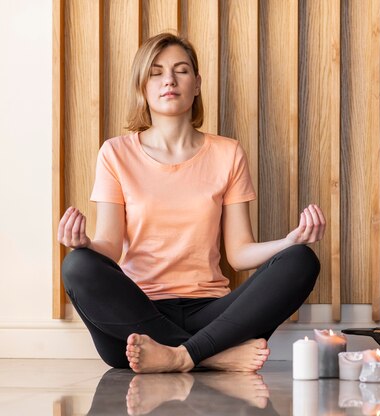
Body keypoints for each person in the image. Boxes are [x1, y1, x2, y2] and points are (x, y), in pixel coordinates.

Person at [58, 32, 324, 374]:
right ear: (142, 86)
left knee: (300, 260)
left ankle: (180, 356)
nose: (169, 79)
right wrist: (86, 244)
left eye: (180, 70)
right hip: (139, 317)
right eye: (156, 72)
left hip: (213, 314)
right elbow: (109, 247)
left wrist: (290, 242)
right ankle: (213, 356)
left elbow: (239, 253)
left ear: (196, 84)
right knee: (78, 265)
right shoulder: (115, 153)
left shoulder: (228, 153)